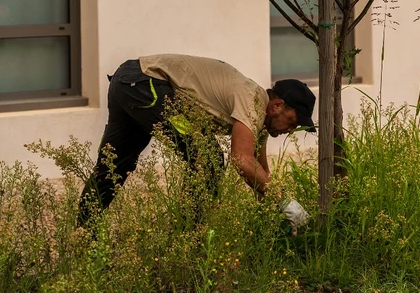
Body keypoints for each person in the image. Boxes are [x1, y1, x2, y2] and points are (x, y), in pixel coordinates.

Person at [78, 54, 314, 230]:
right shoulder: (253, 99)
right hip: (146, 85)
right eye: (292, 122)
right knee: (207, 157)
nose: (291, 130)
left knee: (113, 166)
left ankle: (83, 236)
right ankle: (189, 238)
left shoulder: (258, 119)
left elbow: (258, 172)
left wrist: (277, 216)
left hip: (129, 81)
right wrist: (284, 201)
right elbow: (241, 160)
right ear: (278, 106)